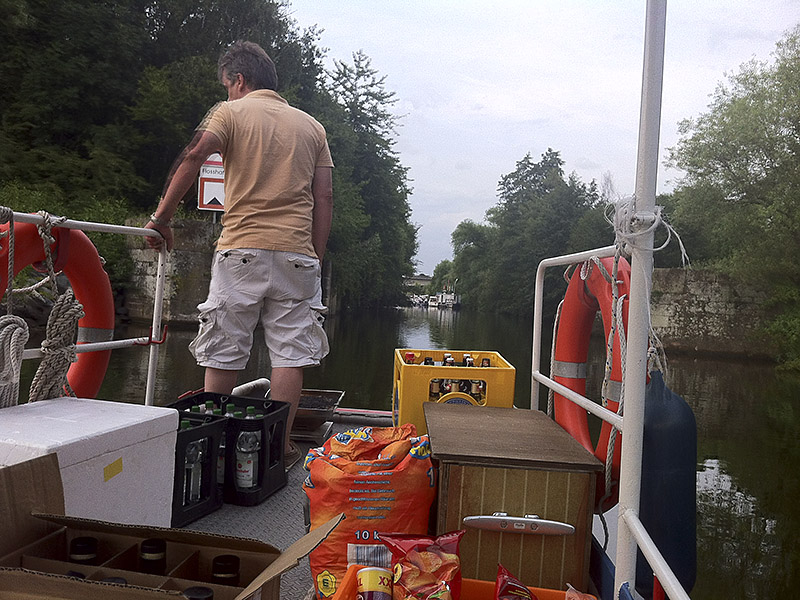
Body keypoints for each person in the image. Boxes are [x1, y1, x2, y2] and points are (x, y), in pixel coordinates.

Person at [145, 41, 334, 470]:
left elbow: (195, 155)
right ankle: (278, 449)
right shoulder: (313, 127)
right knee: (290, 355)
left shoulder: (229, 113)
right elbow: (323, 196)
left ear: (239, 80)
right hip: (297, 254)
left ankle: (213, 447)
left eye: (227, 86)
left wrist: (162, 218)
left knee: (223, 349)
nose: (227, 93)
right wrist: (315, 257)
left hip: (241, 249)